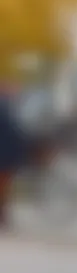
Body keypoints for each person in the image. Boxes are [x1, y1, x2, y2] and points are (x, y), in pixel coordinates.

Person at [0, 82, 25, 229]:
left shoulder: (5, 110)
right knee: (4, 187)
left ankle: (3, 216)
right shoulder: (6, 109)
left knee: (4, 187)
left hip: (6, 154)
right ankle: (3, 216)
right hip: (7, 154)